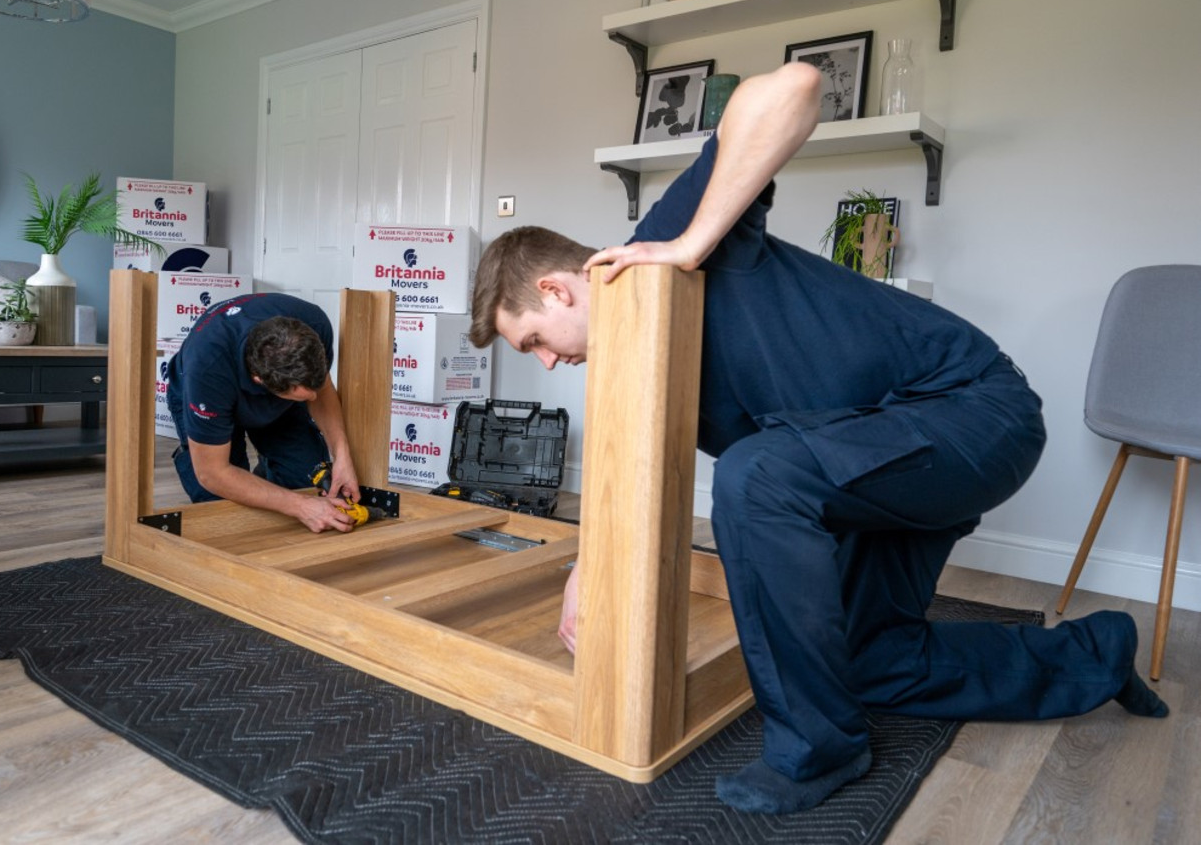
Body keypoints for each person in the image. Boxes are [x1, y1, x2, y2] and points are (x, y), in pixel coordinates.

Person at [468, 62, 1167, 815]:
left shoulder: (660, 251)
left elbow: (795, 86)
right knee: (869, 662)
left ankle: (813, 752)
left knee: (754, 474)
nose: (547, 363)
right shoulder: (634, 364)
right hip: (873, 456)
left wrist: (692, 241)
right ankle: (1094, 655)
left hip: (971, 414)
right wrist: (587, 571)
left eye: (534, 340)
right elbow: (623, 482)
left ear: (558, 288)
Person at [165, 292, 361, 533]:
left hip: (279, 398)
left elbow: (323, 390)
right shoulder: (207, 371)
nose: (313, 399)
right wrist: (301, 506)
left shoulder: (314, 325)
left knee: (305, 482)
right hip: (213, 393)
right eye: (304, 396)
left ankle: (266, 478)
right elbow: (212, 473)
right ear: (261, 382)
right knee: (223, 512)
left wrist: (342, 457)